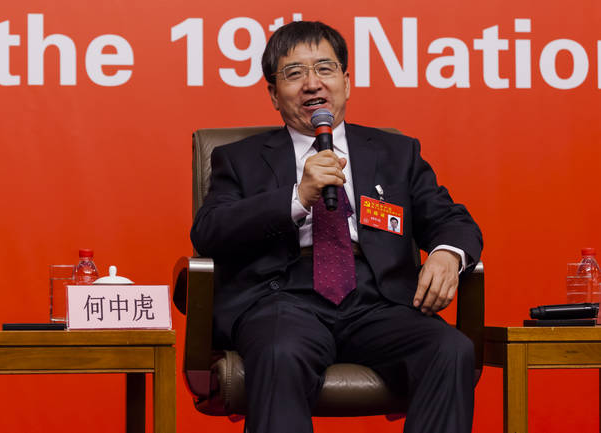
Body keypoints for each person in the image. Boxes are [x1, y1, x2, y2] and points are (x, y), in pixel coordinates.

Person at [191, 20, 482, 433]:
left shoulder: (396, 152)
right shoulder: (239, 159)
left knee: (450, 348)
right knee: (279, 352)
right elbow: (209, 230)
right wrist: (297, 197)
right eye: (294, 73)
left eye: (325, 69)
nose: (312, 84)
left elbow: (452, 219)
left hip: (379, 301)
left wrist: (447, 254)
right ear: (273, 94)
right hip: (282, 300)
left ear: (346, 82)